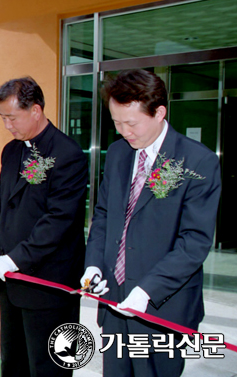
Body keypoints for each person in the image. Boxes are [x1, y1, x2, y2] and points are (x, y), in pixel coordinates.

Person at [82, 70, 222, 377]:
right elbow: (103, 215)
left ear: (159, 112)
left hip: (162, 308)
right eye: (116, 122)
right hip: (115, 303)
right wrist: (93, 265)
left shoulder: (197, 161)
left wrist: (147, 290)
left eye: (130, 123)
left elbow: (194, 242)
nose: (122, 131)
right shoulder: (118, 153)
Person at [0, 77, 88, 377]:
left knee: (48, 366)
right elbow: (0, 203)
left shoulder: (68, 154)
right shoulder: (12, 151)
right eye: (2, 118)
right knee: (13, 360)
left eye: (12, 117)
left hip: (49, 281)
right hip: (12, 279)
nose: (7, 125)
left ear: (36, 110)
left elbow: (59, 220)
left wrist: (15, 258)